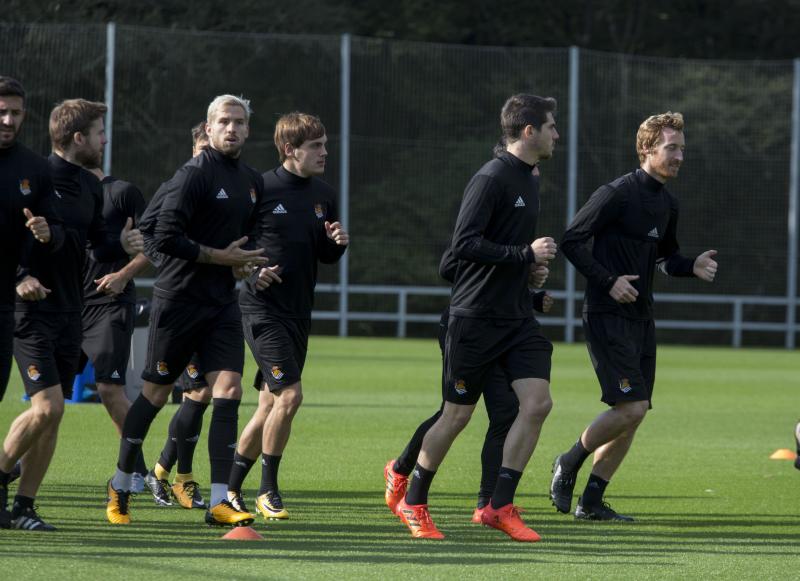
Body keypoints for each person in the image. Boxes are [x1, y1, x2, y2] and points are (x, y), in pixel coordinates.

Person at [395, 94, 559, 542]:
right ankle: (413, 502)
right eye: (550, 126)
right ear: (529, 131)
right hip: (474, 320)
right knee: (455, 417)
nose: (556, 134)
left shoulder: (529, 179)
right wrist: (524, 253)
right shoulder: (491, 178)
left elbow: (505, 256)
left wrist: (530, 276)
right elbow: (462, 246)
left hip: (515, 320)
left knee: (538, 403)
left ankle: (498, 505)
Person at [105, 95, 268, 527]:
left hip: (221, 305)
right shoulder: (193, 174)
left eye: (238, 122)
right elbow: (163, 236)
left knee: (228, 391)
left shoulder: (252, 181)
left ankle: (220, 500)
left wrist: (251, 264)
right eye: (223, 122)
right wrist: (220, 258)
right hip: (178, 301)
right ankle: (121, 481)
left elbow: (247, 240)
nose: (231, 129)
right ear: (209, 128)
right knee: (156, 394)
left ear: (248, 130)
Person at [550, 111, 718, 521]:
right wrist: (608, 281)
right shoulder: (617, 194)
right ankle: (568, 461)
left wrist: (690, 265)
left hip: (642, 319)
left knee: (634, 415)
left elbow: (666, 258)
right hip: (606, 313)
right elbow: (571, 240)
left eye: (682, 149)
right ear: (647, 149)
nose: (679, 156)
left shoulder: (667, 203)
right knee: (631, 408)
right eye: (671, 148)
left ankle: (591, 502)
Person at [2, 97, 140, 531]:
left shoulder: (90, 185)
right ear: (78, 137)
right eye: (100, 132)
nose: (105, 140)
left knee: (53, 416)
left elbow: (97, 243)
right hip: (32, 310)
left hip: (72, 311)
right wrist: (22, 272)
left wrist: (125, 246)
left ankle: (24, 506)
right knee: (49, 407)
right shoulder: (36, 175)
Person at [227, 112, 348, 521]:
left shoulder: (324, 194)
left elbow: (323, 255)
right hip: (261, 310)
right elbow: (234, 248)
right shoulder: (258, 188)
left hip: (299, 313)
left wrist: (336, 244)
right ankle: (268, 490)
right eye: (316, 146)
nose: (324, 152)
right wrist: (251, 272)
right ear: (289, 149)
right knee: (291, 397)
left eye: (325, 144)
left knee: (267, 406)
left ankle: (229, 489)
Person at [385, 248, 552, 523]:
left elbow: (499, 279)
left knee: (506, 413)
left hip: (505, 329)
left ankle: (487, 503)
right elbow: (452, 267)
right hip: (469, 326)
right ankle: (400, 469)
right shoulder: (482, 221)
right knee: (454, 413)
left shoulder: (521, 223)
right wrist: (519, 260)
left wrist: (527, 282)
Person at [0, 76, 64, 529]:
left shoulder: (33, 168)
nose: (8, 120)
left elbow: (49, 236)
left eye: (15, 112)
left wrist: (47, 235)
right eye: (1, 111)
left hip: (8, 307)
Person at [143, 122, 213, 510]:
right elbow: (148, 232)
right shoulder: (177, 185)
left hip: (214, 305)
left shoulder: (228, 185)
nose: (208, 155)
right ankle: (171, 477)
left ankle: (163, 474)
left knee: (203, 394)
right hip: (179, 304)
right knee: (197, 392)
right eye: (202, 147)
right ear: (194, 148)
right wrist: (171, 265)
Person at [82, 161, 149, 493]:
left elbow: (153, 244)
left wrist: (123, 275)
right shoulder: (60, 195)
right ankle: (15, 465)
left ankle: (137, 471)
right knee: (46, 398)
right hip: (65, 307)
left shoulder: (122, 192)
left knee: (109, 389)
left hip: (109, 304)